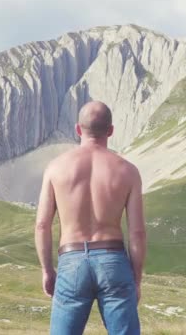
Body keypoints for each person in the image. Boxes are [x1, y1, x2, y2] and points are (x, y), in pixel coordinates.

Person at [34, 100, 146, 335]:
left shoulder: (55, 168)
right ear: (111, 130)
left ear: (78, 129)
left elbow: (43, 225)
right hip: (113, 259)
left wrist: (47, 270)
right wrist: (136, 278)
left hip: (72, 259)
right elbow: (137, 232)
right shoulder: (128, 171)